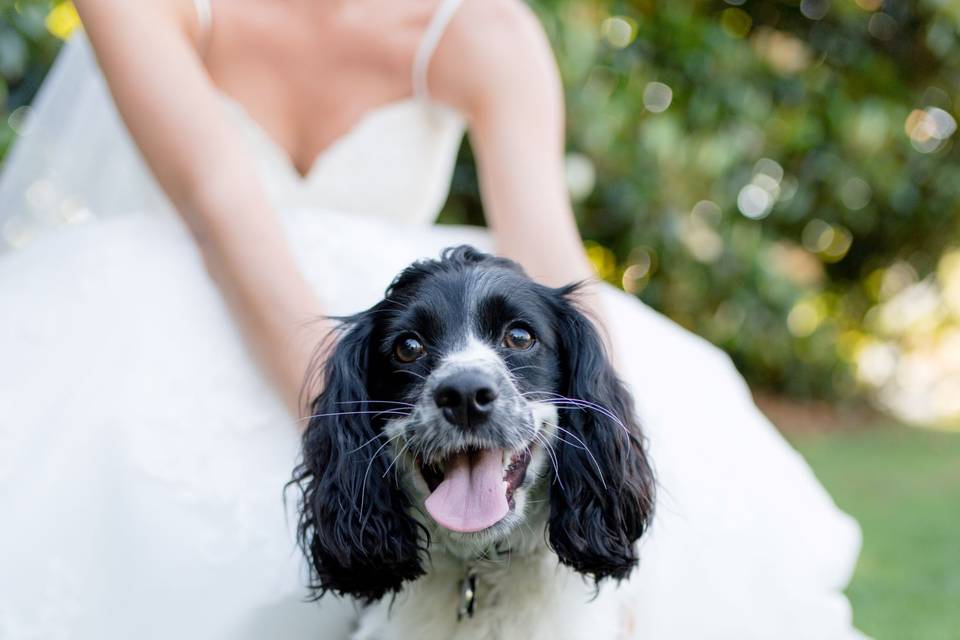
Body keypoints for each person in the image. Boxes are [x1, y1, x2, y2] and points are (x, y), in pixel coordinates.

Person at [0, 0, 864, 637]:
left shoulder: (485, 29)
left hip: (437, 338)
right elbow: (222, 206)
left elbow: (551, 260)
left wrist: (603, 448)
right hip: (209, 318)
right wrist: (352, 438)